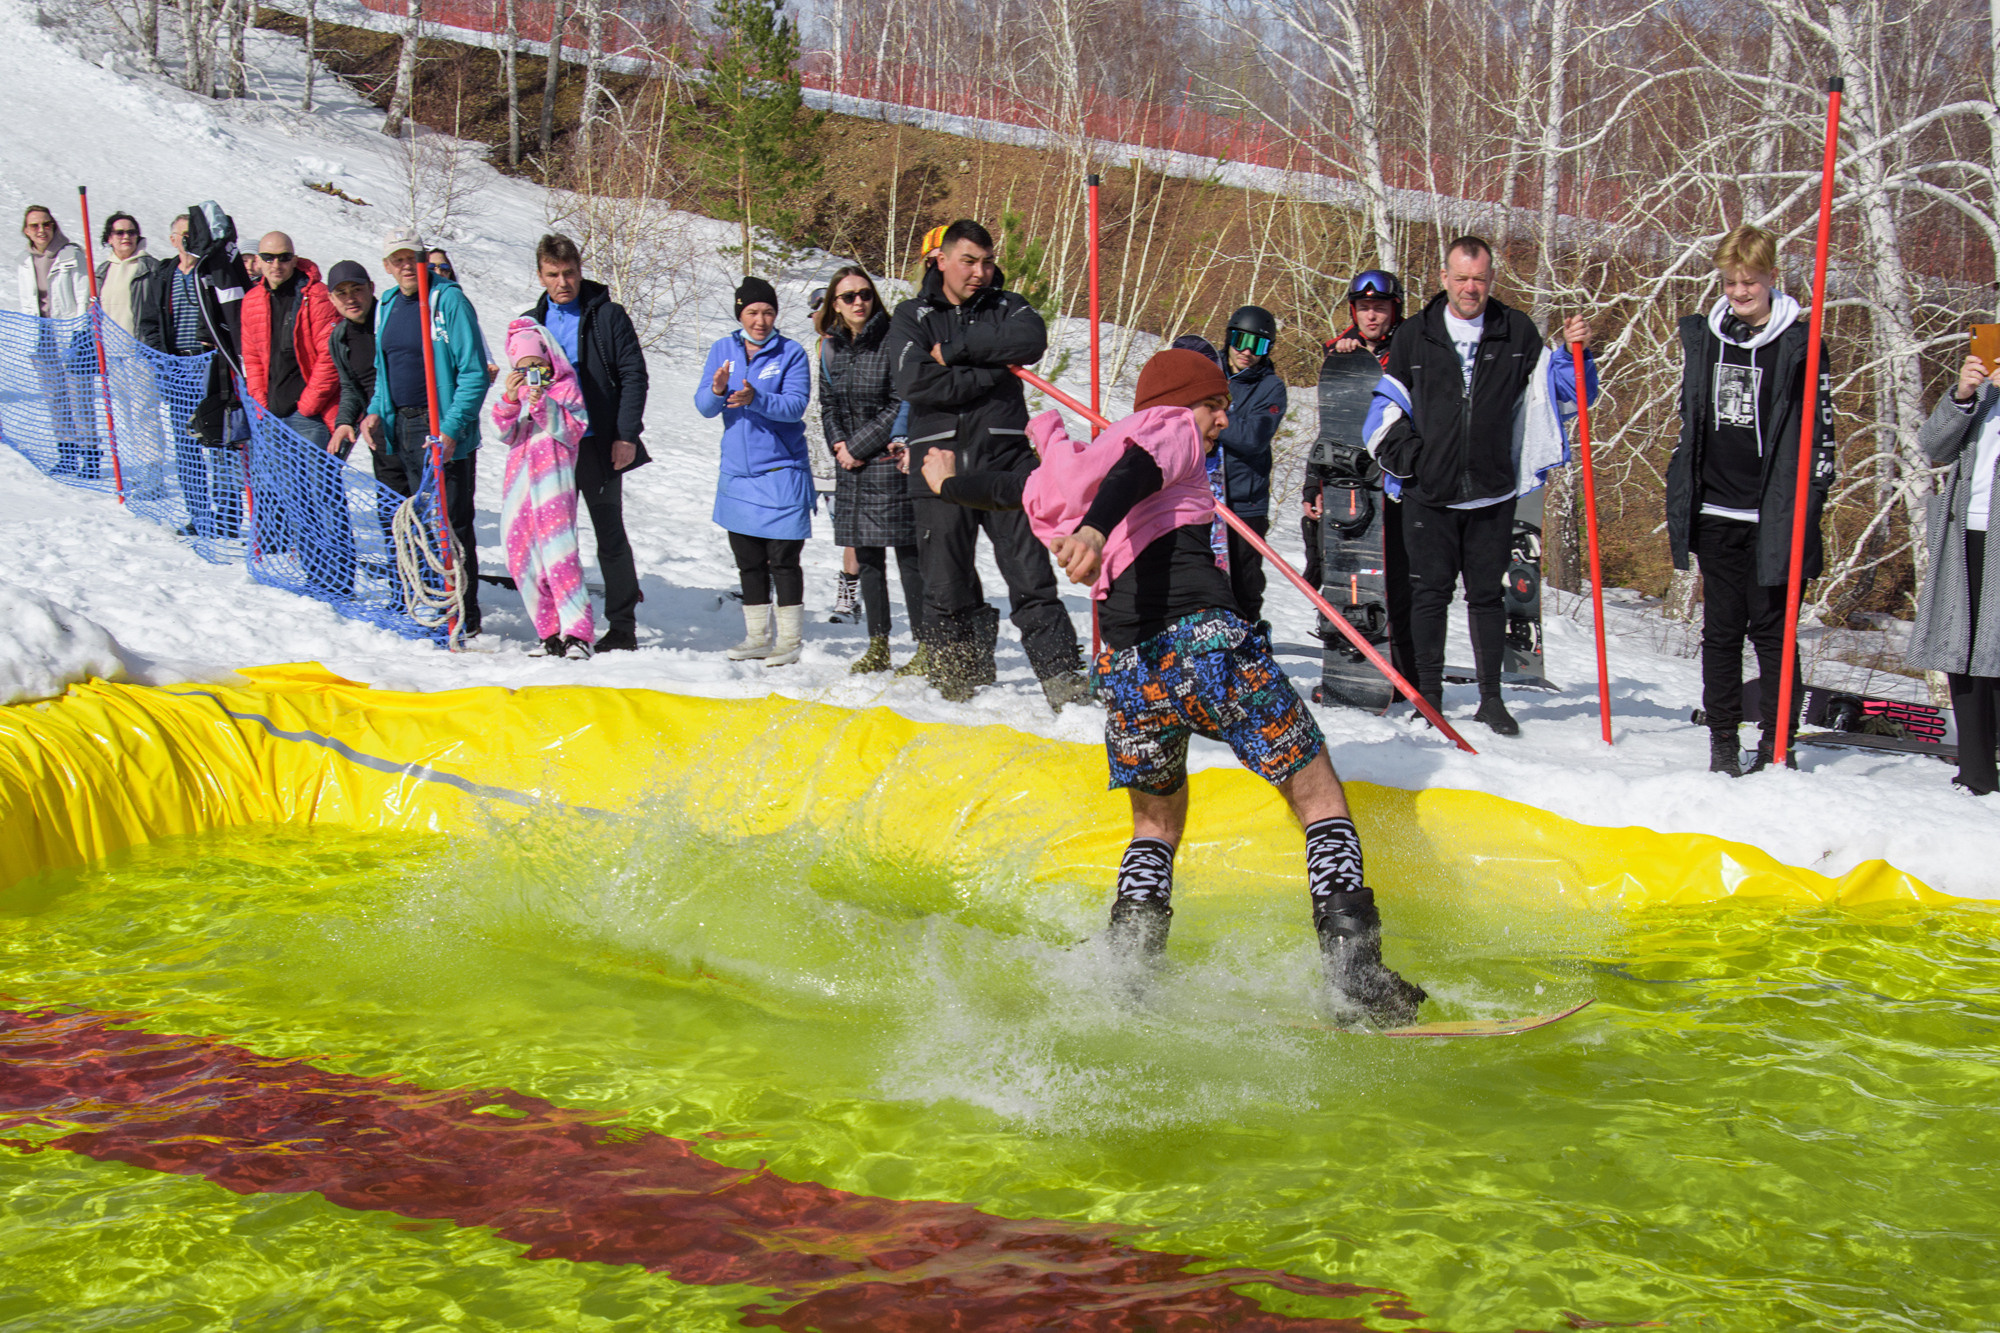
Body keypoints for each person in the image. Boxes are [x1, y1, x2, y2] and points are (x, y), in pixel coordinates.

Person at [921, 348, 1425, 1024]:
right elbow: (1140, 466)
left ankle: (1129, 963)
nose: (1222, 417)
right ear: (1181, 402)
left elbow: (1013, 491)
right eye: (1214, 403)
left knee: (1155, 821)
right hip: (1203, 647)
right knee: (1314, 789)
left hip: (1130, 672)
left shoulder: (1075, 471)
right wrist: (1099, 530)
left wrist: (948, 486)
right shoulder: (1165, 430)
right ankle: (1354, 971)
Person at [1366, 236, 1595, 737]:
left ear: (1492, 281)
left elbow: (1552, 397)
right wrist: (1416, 462)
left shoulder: (1515, 331)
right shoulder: (1415, 336)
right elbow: (1385, 409)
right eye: (1462, 278)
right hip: (1432, 495)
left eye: (1481, 280)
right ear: (1444, 278)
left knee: (1487, 598)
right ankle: (1429, 698)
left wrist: (1575, 356)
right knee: (1429, 595)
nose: (1471, 288)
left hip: (1492, 492)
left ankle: (1492, 699)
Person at [886, 218, 1086, 708]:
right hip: (937, 462)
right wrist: (990, 374)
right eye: (969, 261)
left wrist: (957, 352)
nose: (980, 272)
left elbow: (1031, 340)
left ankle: (1062, 679)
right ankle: (961, 678)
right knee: (944, 583)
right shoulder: (911, 315)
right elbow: (914, 382)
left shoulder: (1007, 305)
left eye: (988, 261)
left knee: (1030, 576)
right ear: (943, 261)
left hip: (1006, 462)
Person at [1664, 224, 1835, 776]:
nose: (1739, 292)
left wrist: (1809, 503)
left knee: (1772, 632)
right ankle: (1721, 739)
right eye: (1730, 282)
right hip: (1717, 507)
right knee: (1721, 631)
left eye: (1750, 282)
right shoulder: (1707, 336)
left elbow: (1821, 436)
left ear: (1770, 277)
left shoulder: (1800, 343)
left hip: (1773, 513)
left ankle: (1775, 743)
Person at [522, 233, 650, 652]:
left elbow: (634, 376)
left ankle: (622, 626)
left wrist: (626, 436)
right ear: (541, 275)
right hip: (552, 449)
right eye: (553, 275)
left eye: (570, 273)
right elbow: (527, 384)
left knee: (609, 535)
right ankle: (562, 627)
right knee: (554, 542)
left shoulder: (607, 316)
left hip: (598, 444)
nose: (563, 282)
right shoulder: (530, 324)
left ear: (581, 270)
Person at [360, 229, 492, 636]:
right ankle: (426, 601)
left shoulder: (447, 300)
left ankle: (462, 613)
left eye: (411, 258)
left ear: (424, 260)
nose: (405, 266)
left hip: (439, 426)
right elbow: (385, 370)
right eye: (396, 260)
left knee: (450, 523)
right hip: (399, 424)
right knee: (413, 524)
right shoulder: (387, 305)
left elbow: (473, 372)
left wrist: (452, 429)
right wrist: (374, 411)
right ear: (387, 266)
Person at [696, 276, 814, 667]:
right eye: (752, 312)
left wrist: (756, 398)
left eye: (767, 312)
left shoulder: (791, 352)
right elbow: (705, 407)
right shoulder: (722, 349)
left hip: (781, 470)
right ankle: (757, 637)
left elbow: (795, 406)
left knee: (782, 559)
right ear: (740, 314)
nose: (760, 320)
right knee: (747, 559)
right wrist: (716, 390)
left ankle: (790, 640)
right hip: (737, 475)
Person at [1303, 270, 1415, 685]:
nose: (1372, 316)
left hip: (1394, 481)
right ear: (1354, 310)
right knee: (1340, 572)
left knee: (1397, 582)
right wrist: (1312, 485)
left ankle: (1401, 672)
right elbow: (1330, 427)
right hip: (1347, 481)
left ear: (1394, 310)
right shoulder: (1340, 352)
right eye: (1365, 308)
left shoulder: (1412, 350)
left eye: (1380, 308)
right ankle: (1345, 662)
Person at [816, 264, 926, 674]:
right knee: (867, 560)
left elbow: (899, 401)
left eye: (864, 293)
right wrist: (839, 445)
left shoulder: (891, 340)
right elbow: (827, 403)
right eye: (848, 297)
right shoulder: (829, 347)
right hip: (851, 466)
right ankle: (878, 644)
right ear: (835, 305)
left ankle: (925, 645)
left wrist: (858, 446)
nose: (858, 301)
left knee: (908, 557)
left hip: (886, 462)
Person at [1908, 346, 2000, 796]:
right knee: (1962, 651)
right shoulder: (1985, 391)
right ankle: (1976, 774)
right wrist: (1963, 395)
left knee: (1995, 653)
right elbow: (1932, 445)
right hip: (1969, 529)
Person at [494, 317, 596, 661]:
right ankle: (549, 632)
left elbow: (573, 429)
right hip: (520, 486)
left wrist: (542, 404)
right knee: (522, 555)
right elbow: (504, 433)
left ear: (549, 360)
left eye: (537, 365)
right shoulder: (518, 393)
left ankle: (577, 633)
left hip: (553, 483)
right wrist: (511, 399)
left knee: (560, 557)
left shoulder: (566, 389)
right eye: (524, 367)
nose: (532, 373)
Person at [1215, 305, 1287, 624]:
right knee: (1206, 579)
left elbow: (1252, 437)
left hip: (1246, 502)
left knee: (1245, 582)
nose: (1246, 351)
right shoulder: (1209, 371)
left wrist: (1210, 416)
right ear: (1230, 337)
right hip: (1204, 495)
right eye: (1241, 340)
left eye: (1258, 345)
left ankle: (1249, 641)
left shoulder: (1271, 387)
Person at [15, 205, 96, 477]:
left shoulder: (71, 255)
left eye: (46, 224)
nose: (41, 230)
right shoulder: (25, 261)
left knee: (79, 398)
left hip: (70, 335)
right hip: (41, 338)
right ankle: (67, 454)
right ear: (26, 230)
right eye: (35, 226)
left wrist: (80, 332)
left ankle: (91, 457)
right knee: (56, 398)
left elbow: (84, 297)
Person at [241, 232, 340, 448]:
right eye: (269, 257)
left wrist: (308, 405)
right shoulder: (252, 301)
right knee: (281, 482)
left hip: (311, 415)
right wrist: (261, 402)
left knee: (319, 482)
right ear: (258, 261)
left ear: (294, 260)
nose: (276, 264)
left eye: (284, 257)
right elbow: (252, 358)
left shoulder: (317, 295)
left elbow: (331, 355)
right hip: (272, 413)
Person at [324, 260, 376, 459]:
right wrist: (344, 422)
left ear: (371, 288)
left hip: (416, 428)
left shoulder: (390, 321)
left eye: (356, 289)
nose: (350, 299)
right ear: (331, 298)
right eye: (341, 293)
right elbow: (350, 386)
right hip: (377, 433)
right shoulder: (339, 337)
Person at [94, 213, 159, 336]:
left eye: (131, 232)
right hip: (107, 349)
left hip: (140, 348)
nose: (126, 236)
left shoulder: (151, 268)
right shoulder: (102, 271)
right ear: (109, 238)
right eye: (119, 233)